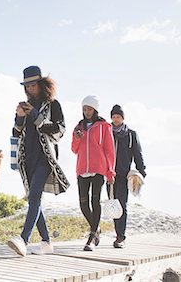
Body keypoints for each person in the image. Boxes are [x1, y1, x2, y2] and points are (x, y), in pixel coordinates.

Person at [7, 66, 69, 257]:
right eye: (27, 85)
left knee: (34, 196)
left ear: (41, 84)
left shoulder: (53, 105)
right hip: (27, 159)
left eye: (33, 84)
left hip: (45, 159)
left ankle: (23, 240)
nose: (30, 88)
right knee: (34, 199)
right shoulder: (25, 106)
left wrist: (34, 115)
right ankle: (46, 242)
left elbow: (59, 131)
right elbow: (16, 134)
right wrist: (19, 117)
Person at [71, 95, 115, 251]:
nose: (87, 112)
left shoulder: (104, 127)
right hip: (82, 169)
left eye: (89, 109)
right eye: (84, 109)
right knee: (83, 204)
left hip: (98, 169)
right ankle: (96, 228)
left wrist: (110, 171)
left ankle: (91, 238)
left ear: (95, 109)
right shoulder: (78, 127)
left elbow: (109, 150)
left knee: (95, 201)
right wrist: (77, 138)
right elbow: (74, 149)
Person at [109, 104, 146, 248]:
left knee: (122, 204)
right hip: (109, 175)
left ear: (123, 118)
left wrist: (141, 171)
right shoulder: (107, 132)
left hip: (124, 175)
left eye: (118, 117)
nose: (116, 119)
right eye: (113, 117)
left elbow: (138, 153)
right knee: (113, 205)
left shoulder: (131, 134)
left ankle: (120, 236)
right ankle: (117, 232)